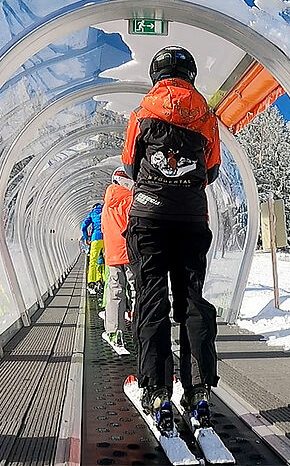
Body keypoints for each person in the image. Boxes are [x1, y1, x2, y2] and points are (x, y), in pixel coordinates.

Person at [122, 46, 221, 429]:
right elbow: (211, 170)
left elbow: (130, 164)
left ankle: (157, 389)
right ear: (191, 76)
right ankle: (198, 390)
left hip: (148, 217)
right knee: (192, 300)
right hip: (192, 219)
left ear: (156, 75)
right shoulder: (207, 117)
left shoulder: (142, 113)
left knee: (151, 301)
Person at [101, 167, 136, 352]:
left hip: (113, 253)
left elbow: (105, 229)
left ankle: (115, 332)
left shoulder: (107, 204)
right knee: (136, 288)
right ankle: (140, 327)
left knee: (115, 291)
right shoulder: (130, 199)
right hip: (130, 251)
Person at [81, 203, 105, 295]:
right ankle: (104, 280)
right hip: (106, 239)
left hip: (95, 238)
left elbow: (83, 226)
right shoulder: (105, 212)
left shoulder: (92, 214)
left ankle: (92, 282)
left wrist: (86, 237)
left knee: (93, 262)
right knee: (106, 262)